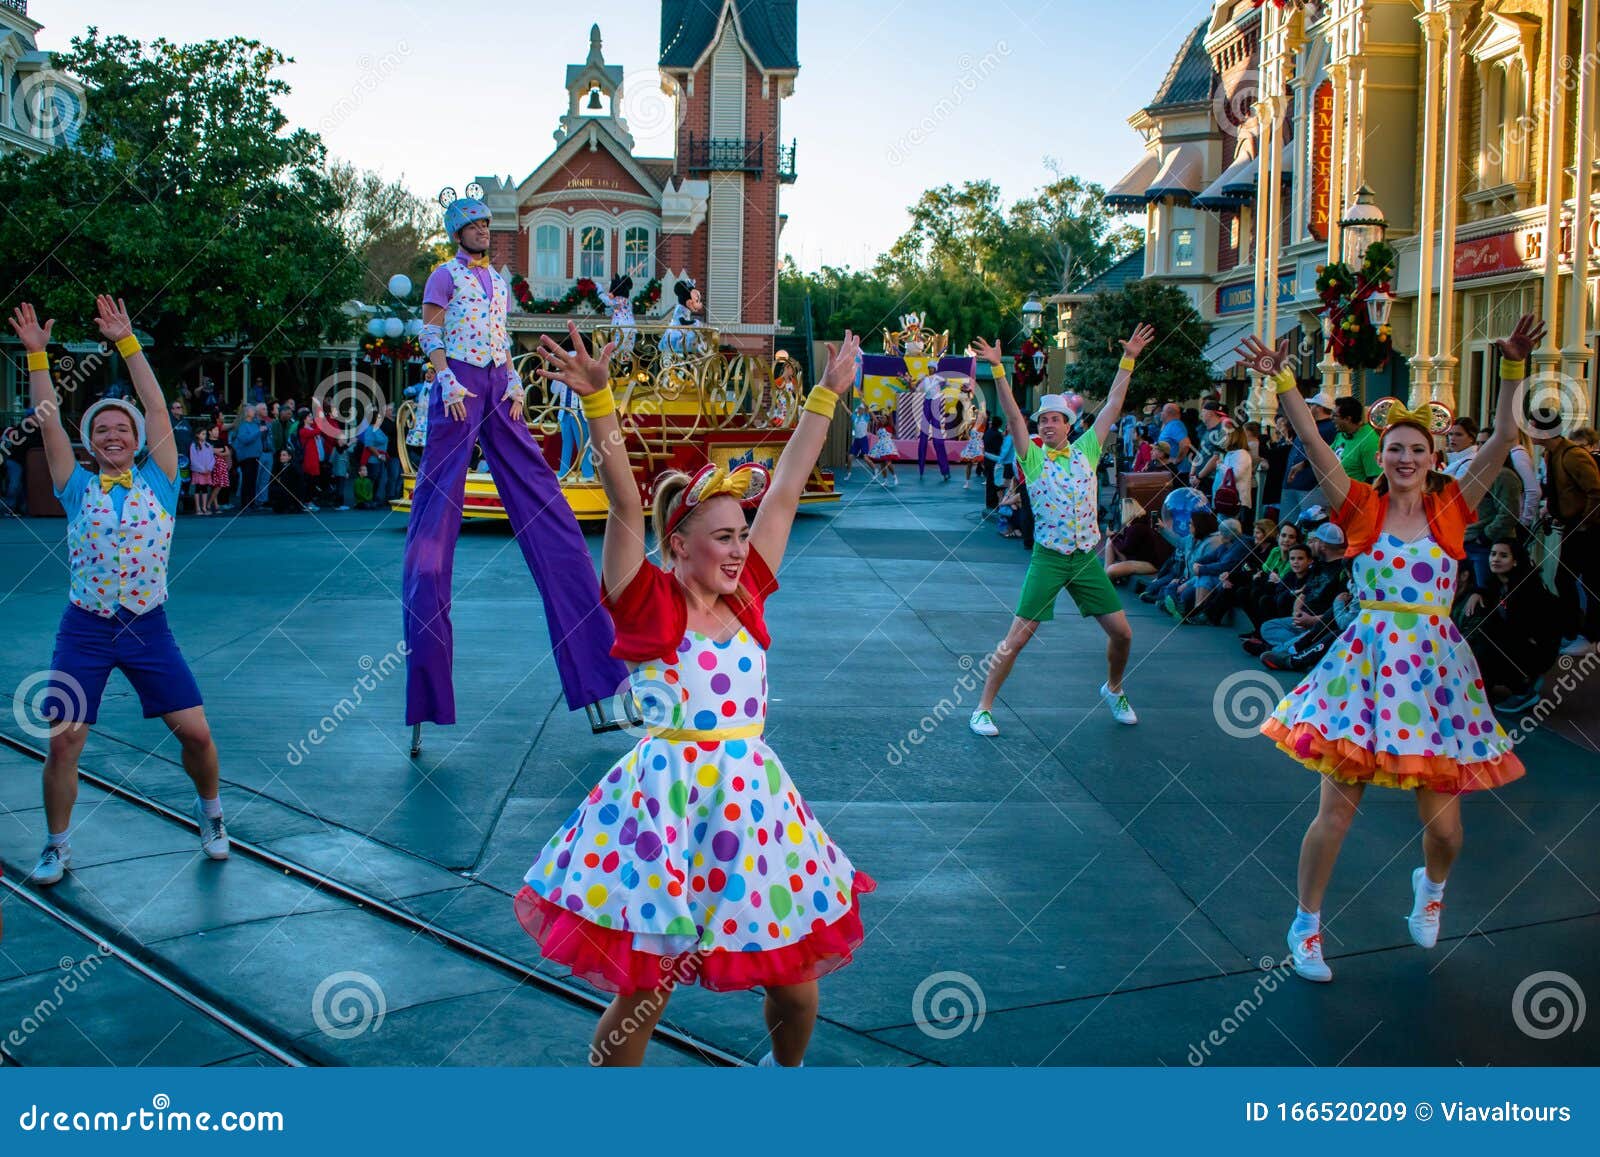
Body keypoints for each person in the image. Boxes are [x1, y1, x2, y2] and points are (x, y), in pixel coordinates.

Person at [514, 322, 875, 1067]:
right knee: (645, 993)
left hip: (753, 810)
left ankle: (782, 1077)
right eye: (722, 535)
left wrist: (826, 394)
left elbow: (786, 490)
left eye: (741, 533)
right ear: (678, 543)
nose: (740, 546)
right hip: (668, 811)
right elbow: (620, 501)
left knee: (798, 986)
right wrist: (602, 401)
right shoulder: (648, 601)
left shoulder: (748, 599)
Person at [1237, 316, 1539, 984]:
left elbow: (1503, 438)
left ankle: (1430, 887)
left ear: (1434, 457)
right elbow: (1314, 440)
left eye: (1416, 449)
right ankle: (1307, 925)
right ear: (1383, 452)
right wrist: (1284, 380)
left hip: (1432, 679)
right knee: (1335, 813)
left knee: (1448, 832)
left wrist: (1513, 370)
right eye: (1395, 447)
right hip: (1366, 672)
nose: (1405, 457)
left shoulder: (1455, 508)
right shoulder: (1361, 507)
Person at [8, 297, 230, 886]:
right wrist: (37, 358)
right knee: (64, 741)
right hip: (85, 629)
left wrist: (128, 343)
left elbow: (156, 405)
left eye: (121, 428)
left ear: (136, 439)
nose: (112, 435)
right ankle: (57, 845)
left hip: (147, 627)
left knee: (198, 734)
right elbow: (49, 421)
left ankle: (211, 815)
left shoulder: (162, 479)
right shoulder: (73, 485)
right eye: (101, 429)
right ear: (91, 442)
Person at [405, 196, 627, 742]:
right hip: (456, 387)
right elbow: (430, 334)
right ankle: (426, 696)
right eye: (475, 225)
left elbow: (501, 339)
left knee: (551, 514)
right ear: (459, 232)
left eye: (486, 223)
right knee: (433, 535)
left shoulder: (498, 282)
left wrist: (514, 380)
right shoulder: (444, 276)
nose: (484, 231)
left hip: (498, 387)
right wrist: (445, 380)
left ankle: (602, 680)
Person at [968, 324, 1155, 737]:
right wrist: (999, 371)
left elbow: (1113, 405)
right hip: (1050, 559)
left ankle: (1114, 687)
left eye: (1056, 419)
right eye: (1044, 420)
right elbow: (1014, 416)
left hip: (1086, 559)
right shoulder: (1032, 458)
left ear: (1069, 424)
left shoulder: (1088, 448)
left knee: (1123, 634)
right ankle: (982, 708)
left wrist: (1129, 359)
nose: (1048, 424)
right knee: (1016, 639)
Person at [1455, 538, 1561, 713]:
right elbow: (1489, 594)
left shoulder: (1528, 589)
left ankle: (1524, 689)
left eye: (1503, 555)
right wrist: (1477, 593)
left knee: (1487, 642)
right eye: (1493, 554)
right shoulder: (1497, 583)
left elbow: (1527, 629)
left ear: (1516, 561)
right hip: (1516, 642)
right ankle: (1494, 684)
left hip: (1536, 648)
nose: (1495, 559)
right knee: (1484, 637)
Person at [1533, 417, 1600, 657]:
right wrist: (1554, 511)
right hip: (1573, 525)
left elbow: (1596, 491)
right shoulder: (1552, 455)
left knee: (1590, 581)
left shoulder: (1573, 455)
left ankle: (1589, 636)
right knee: (1565, 578)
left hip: (1588, 529)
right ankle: (1573, 631)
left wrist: (1585, 522)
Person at [1278, 392, 1335, 521]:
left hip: (1311, 485)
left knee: (1307, 524)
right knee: (1287, 523)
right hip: (1292, 483)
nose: (1309, 408)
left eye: (1312, 405)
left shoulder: (1331, 428)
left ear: (1319, 408)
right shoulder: (1308, 425)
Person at [1330, 395, 1380, 484]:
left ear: (1348, 419)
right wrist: (1304, 464)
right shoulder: (1342, 433)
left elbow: (1375, 478)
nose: (1331, 418)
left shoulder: (1369, 442)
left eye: (1335, 415)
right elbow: (1328, 453)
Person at [232, 404, 264, 512]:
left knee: (253, 480)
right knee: (247, 480)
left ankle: (252, 502)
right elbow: (245, 439)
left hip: (255, 456)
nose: (254, 412)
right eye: (252, 410)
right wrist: (258, 432)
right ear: (246, 413)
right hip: (247, 457)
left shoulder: (255, 424)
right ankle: (245, 503)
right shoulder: (243, 426)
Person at [188, 425, 216, 516]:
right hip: (198, 471)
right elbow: (193, 459)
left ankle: (204, 507)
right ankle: (198, 508)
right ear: (197, 435)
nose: (205, 436)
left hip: (207, 471)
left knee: (204, 489)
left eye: (205, 434)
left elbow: (212, 458)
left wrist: (209, 468)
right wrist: (201, 469)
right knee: (197, 489)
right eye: (203, 434)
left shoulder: (209, 446)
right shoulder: (193, 446)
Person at [866, 411, 898, 487]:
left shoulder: (890, 426)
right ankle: (885, 480)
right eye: (881, 418)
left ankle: (894, 477)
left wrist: (889, 410)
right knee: (882, 464)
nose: (882, 419)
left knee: (888, 462)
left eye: (884, 418)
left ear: (887, 419)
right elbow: (873, 417)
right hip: (880, 446)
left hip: (888, 446)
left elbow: (890, 418)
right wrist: (869, 410)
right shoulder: (879, 425)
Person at [846, 403, 872, 483]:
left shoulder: (866, 417)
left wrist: (863, 399)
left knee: (865, 458)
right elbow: (847, 411)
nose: (860, 410)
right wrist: (842, 403)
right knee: (850, 457)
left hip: (863, 439)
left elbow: (867, 408)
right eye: (859, 409)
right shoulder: (855, 417)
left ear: (863, 410)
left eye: (861, 409)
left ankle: (874, 469)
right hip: (856, 440)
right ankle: (849, 473)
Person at [959, 416, 985, 488]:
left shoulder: (983, 426)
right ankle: (967, 482)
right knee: (969, 464)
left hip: (978, 445)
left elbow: (980, 436)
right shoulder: (972, 425)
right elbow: (967, 433)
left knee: (983, 463)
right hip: (971, 446)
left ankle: (988, 479)